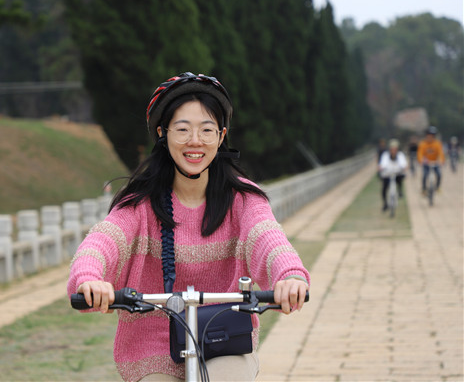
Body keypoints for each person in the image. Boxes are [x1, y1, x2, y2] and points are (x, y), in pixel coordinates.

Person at [66, 72, 310, 382]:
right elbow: (103, 240)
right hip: (151, 344)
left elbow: (268, 236)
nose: (195, 141)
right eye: (182, 129)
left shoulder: (244, 199)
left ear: (221, 136)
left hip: (224, 336)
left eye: (207, 130)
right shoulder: (139, 203)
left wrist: (289, 275)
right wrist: (89, 278)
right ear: (162, 133)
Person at [378, 139, 408, 211]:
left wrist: (404, 167)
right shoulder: (385, 155)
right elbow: (383, 164)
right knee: (384, 188)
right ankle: (385, 203)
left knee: (400, 178)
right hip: (388, 174)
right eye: (392, 149)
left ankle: (400, 190)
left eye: (395, 149)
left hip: (397, 174)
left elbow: (403, 164)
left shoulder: (400, 155)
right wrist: (381, 167)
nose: (394, 151)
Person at [417, 126, 445, 194]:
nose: (430, 137)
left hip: (435, 163)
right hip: (426, 163)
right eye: (429, 135)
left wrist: (441, 160)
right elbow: (420, 153)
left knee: (439, 174)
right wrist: (421, 160)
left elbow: (441, 153)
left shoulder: (437, 144)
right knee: (424, 175)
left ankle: (437, 187)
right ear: (426, 135)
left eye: (432, 135)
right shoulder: (423, 144)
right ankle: (424, 189)